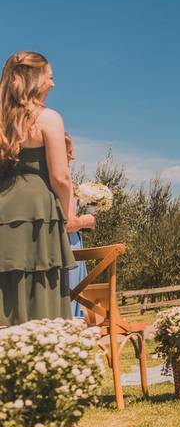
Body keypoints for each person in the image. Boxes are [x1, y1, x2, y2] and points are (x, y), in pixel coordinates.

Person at [0, 52, 75, 326]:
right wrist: (66, 211)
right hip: (39, 213)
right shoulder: (48, 118)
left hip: (3, 213)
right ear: (35, 79)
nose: (53, 85)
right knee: (42, 290)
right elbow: (60, 177)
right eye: (50, 77)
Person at [64, 134, 96, 317]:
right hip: (68, 247)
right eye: (69, 152)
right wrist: (89, 219)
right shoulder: (64, 181)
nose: (72, 156)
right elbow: (69, 223)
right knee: (71, 297)